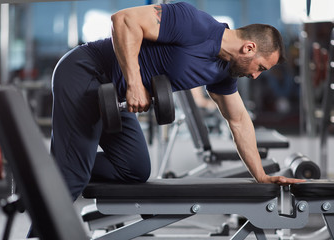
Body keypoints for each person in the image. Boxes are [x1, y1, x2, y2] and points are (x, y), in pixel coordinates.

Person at [51, 2, 305, 202]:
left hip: (113, 97)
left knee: (134, 169)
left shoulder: (223, 71)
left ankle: (58, 162)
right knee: (73, 177)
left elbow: (238, 120)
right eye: (260, 67)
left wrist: (261, 176)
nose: (255, 75)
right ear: (249, 48)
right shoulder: (194, 23)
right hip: (86, 72)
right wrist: (135, 84)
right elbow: (123, 19)